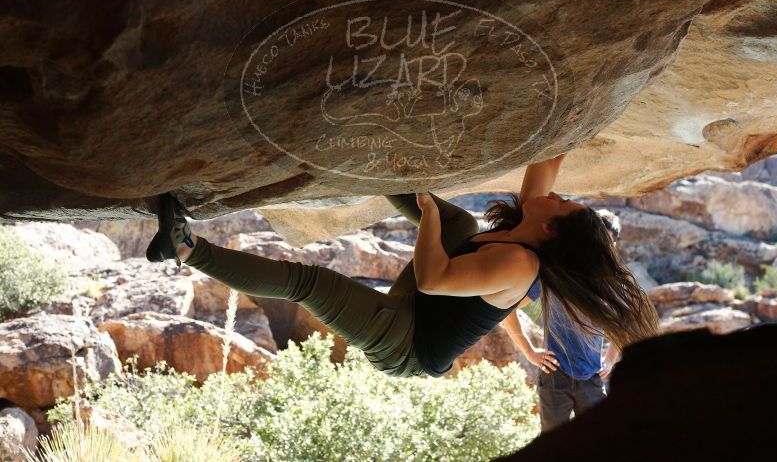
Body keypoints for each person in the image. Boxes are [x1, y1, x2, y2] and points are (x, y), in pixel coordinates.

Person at [146, 153, 659, 378]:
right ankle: (361, 162)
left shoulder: (520, 263)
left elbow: (436, 277)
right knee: (460, 226)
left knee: (310, 282)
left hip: (407, 346)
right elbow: (547, 161)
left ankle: (185, 248)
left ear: (553, 229)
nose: (562, 198)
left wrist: (428, 212)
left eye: (566, 206)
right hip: (428, 305)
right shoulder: (530, 229)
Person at [500, 209, 623, 432]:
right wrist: (528, 351)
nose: (601, 246)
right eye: (597, 238)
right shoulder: (555, 273)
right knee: (553, 447)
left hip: (592, 377)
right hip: (556, 376)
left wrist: (610, 358)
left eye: (608, 241)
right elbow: (506, 307)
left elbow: (623, 324)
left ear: (613, 245)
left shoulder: (611, 283)